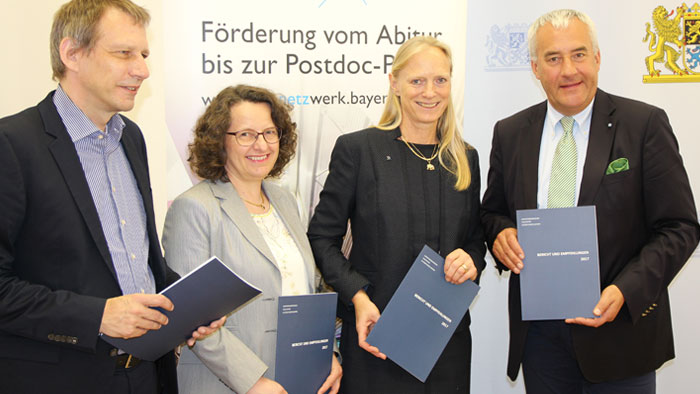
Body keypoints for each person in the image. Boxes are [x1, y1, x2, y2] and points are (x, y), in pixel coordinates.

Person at [0, 1, 223, 393]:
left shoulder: (131, 138)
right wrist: (96, 316)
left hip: (149, 374)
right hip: (62, 378)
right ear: (72, 54)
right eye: (124, 53)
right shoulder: (12, 145)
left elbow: (137, 264)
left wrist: (188, 306)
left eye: (144, 54)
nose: (142, 69)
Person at [480, 9, 700, 394]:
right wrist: (500, 236)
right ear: (534, 67)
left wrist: (625, 291)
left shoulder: (643, 125)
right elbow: (492, 212)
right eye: (553, 58)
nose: (568, 70)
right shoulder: (511, 133)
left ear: (597, 58)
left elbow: (680, 227)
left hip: (621, 332)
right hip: (541, 341)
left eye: (579, 54)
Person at [307, 36, 486, 393]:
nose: (429, 92)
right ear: (394, 83)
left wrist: (471, 260)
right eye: (417, 80)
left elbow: (474, 241)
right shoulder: (358, 150)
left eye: (440, 80)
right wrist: (358, 298)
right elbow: (321, 238)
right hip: (376, 334)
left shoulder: (465, 158)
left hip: (446, 342)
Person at [162, 85, 342, 394]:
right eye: (245, 134)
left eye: (269, 132)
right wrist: (253, 382)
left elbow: (310, 290)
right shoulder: (194, 208)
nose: (261, 144)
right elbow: (190, 317)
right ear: (220, 141)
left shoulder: (285, 201)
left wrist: (329, 355)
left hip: (298, 379)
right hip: (227, 386)